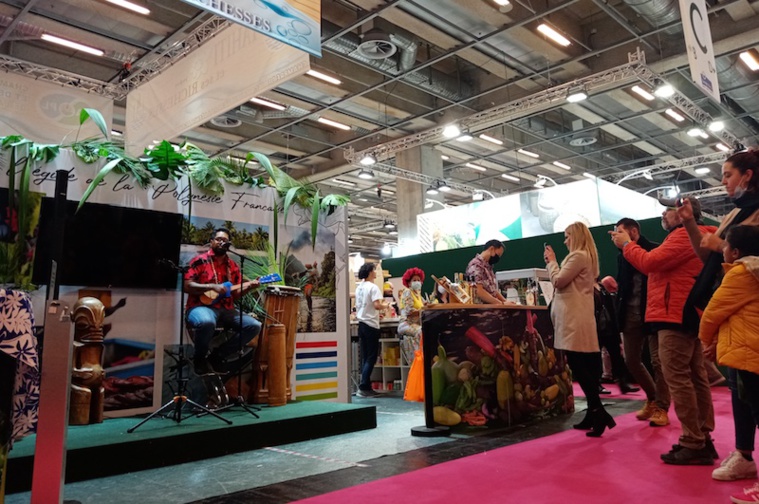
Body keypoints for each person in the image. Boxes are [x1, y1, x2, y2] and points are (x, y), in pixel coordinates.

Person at [610, 196, 716, 465]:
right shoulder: (696, 236)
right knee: (694, 376)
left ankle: (693, 441)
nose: (663, 216)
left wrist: (626, 245)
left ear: (684, 214)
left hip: (674, 313)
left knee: (678, 377)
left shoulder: (684, 237)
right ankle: (702, 436)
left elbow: (649, 263)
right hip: (682, 312)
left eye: (668, 211)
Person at [676, 149, 759, 481]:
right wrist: (690, 224)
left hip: (747, 306)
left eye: (727, 174)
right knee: (741, 387)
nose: (723, 181)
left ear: (747, 175)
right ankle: (743, 453)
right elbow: (707, 253)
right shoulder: (736, 213)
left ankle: (744, 453)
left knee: (751, 388)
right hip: (729, 306)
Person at [699, 226, 759, 500]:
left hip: (750, 357)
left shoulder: (740, 273)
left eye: (725, 246)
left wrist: (704, 340)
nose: (721, 249)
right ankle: (744, 460)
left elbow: (713, 312)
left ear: (735, 252)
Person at [544, 222, 614, 437]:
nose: (565, 241)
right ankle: (596, 412)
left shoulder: (578, 256)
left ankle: (597, 412)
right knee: (584, 367)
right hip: (578, 319)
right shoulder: (587, 257)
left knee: (579, 366)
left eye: (567, 236)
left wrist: (552, 262)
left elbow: (558, 280)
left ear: (576, 236)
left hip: (574, 320)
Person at [614, 217, 670, 426]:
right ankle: (653, 398)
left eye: (620, 231)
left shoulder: (655, 250)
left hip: (654, 313)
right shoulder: (622, 256)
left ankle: (662, 407)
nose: (616, 236)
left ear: (633, 232)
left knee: (658, 361)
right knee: (631, 360)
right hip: (630, 315)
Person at [184, 228, 262, 376]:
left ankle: (217, 356)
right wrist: (210, 286)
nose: (222, 242)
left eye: (225, 241)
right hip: (199, 307)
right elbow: (187, 286)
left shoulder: (232, 266)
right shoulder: (199, 261)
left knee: (254, 326)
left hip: (226, 309)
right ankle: (199, 359)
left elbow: (236, 295)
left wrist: (250, 287)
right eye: (219, 239)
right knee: (207, 322)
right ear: (211, 241)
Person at [595, 276, 639, 394]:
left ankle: (622, 383)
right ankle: (597, 385)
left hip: (608, 329)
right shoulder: (592, 291)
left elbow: (612, 312)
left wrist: (616, 332)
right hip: (597, 329)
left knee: (617, 357)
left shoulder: (602, 291)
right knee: (597, 358)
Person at [355, 262, 385, 398]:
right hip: (371, 325)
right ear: (370, 272)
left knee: (365, 356)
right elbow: (377, 305)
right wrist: (387, 305)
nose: (376, 272)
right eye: (374, 270)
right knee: (371, 357)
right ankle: (363, 386)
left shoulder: (359, 287)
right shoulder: (373, 287)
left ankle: (366, 385)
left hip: (361, 324)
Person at [466, 239, 511, 305]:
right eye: (498, 255)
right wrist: (501, 304)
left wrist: (505, 301)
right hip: (483, 311)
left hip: (492, 307)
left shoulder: (488, 266)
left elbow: (493, 290)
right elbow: (479, 291)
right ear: (492, 249)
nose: (498, 258)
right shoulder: (476, 266)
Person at [398, 267, 426, 366]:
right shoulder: (407, 292)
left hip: (415, 324)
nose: (417, 282)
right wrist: (422, 310)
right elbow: (409, 311)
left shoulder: (419, 295)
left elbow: (425, 305)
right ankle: (418, 361)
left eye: (419, 280)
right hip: (406, 324)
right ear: (409, 283)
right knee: (421, 332)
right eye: (414, 280)